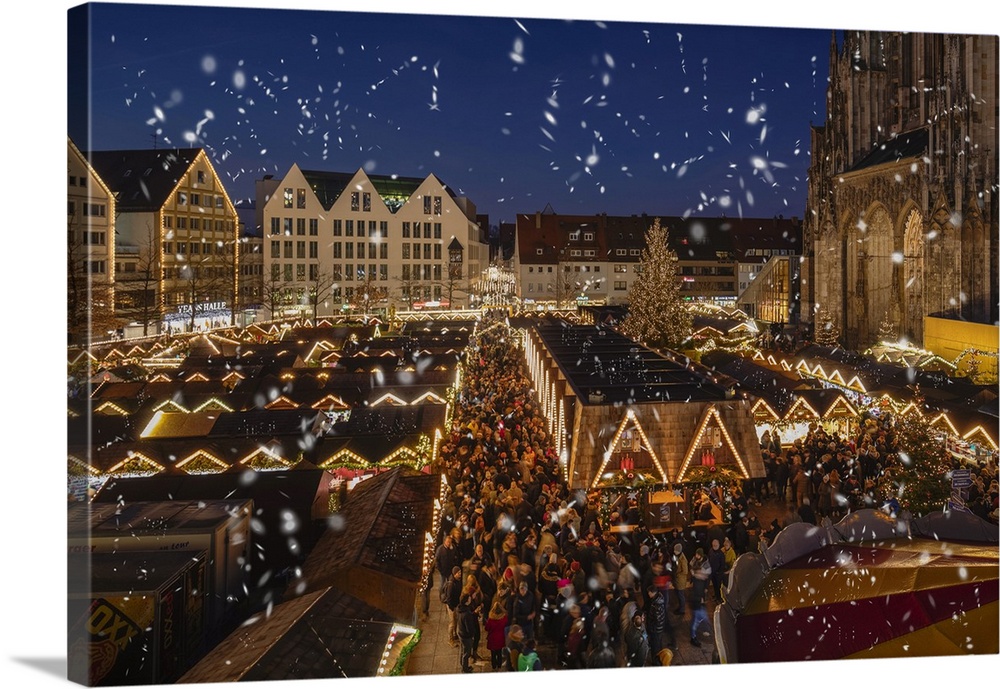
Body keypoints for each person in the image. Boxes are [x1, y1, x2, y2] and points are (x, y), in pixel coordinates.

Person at [484, 601, 508, 671]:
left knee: (493, 654)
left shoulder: (491, 619)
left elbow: (486, 628)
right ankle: (499, 666)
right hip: (500, 639)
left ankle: (494, 666)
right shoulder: (504, 619)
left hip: (492, 639)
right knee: (499, 653)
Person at [457, 596, 479, 673]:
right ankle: (465, 669)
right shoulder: (467, 614)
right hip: (466, 636)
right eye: (469, 599)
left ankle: (463, 664)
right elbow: (469, 628)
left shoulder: (461, 609)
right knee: (467, 653)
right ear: (466, 602)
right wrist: (472, 635)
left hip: (461, 633)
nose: (470, 599)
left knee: (462, 650)